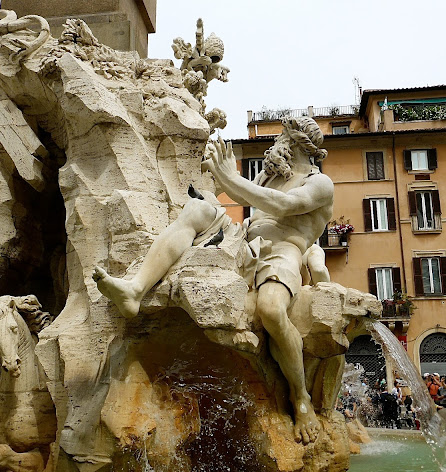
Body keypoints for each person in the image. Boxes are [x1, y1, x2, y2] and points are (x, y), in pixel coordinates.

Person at [93, 117, 334, 445]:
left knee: (272, 310)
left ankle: (300, 396)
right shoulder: (268, 175)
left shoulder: (319, 183)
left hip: (283, 252)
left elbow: (283, 205)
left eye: (284, 139)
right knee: (198, 209)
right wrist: (209, 178)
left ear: (299, 146)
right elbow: (222, 190)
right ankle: (135, 290)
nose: (277, 144)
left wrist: (229, 177)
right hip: (245, 241)